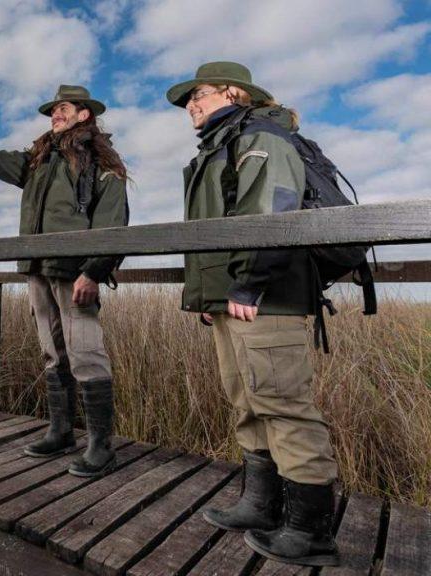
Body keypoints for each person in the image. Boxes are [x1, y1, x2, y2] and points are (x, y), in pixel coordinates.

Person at [166, 61, 339, 567]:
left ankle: (310, 532)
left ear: (233, 92)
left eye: (198, 95)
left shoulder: (261, 136)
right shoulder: (219, 146)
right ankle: (261, 505)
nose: (190, 106)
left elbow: (273, 209)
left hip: (265, 294)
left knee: (283, 404)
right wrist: (211, 295)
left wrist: (248, 283)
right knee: (245, 400)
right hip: (234, 297)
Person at [0, 85, 129, 478]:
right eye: (52, 111)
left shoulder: (104, 165)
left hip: (75, 272)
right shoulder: (38, 161)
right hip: (37, 267)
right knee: (53, 353)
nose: (55, 115)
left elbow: (113, 223)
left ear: (84, 115)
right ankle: (61, 431)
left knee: (86, 353)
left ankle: (102, 446)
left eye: (62, 108)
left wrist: (94, 271)